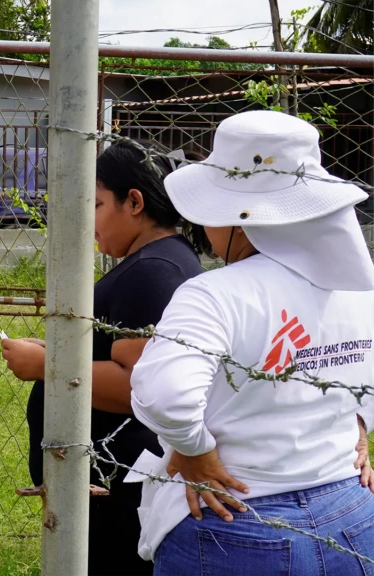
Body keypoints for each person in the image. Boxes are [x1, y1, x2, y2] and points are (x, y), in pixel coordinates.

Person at [128, 110, 374, 575]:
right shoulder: (357, 288)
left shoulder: (215, 293)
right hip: (353, 515)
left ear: (239, 218)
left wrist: (195, 450)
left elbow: (165, 394)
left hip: (235, 519)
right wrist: (359, 425)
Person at [1, 140, 211, 575]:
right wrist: (59, 354)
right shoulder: (161, 261)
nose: (90, 221)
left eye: (97, 204)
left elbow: (138, 384)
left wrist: (48, 367)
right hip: (115, 472)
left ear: (133, 202)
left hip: (121, 478)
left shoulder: (152, 272)